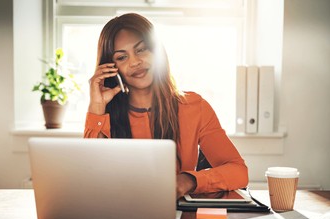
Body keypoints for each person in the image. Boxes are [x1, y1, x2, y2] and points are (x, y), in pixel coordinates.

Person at [84, 13, 248, 198]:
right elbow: (90, 180)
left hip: (177, 217)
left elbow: (238, 171)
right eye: (122, 57)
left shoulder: (194, 107)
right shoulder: (105, 114)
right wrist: (96, 107)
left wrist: (189, 180)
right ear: (111, 68)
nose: (135, 62)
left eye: (141, 49)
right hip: (118, 216)